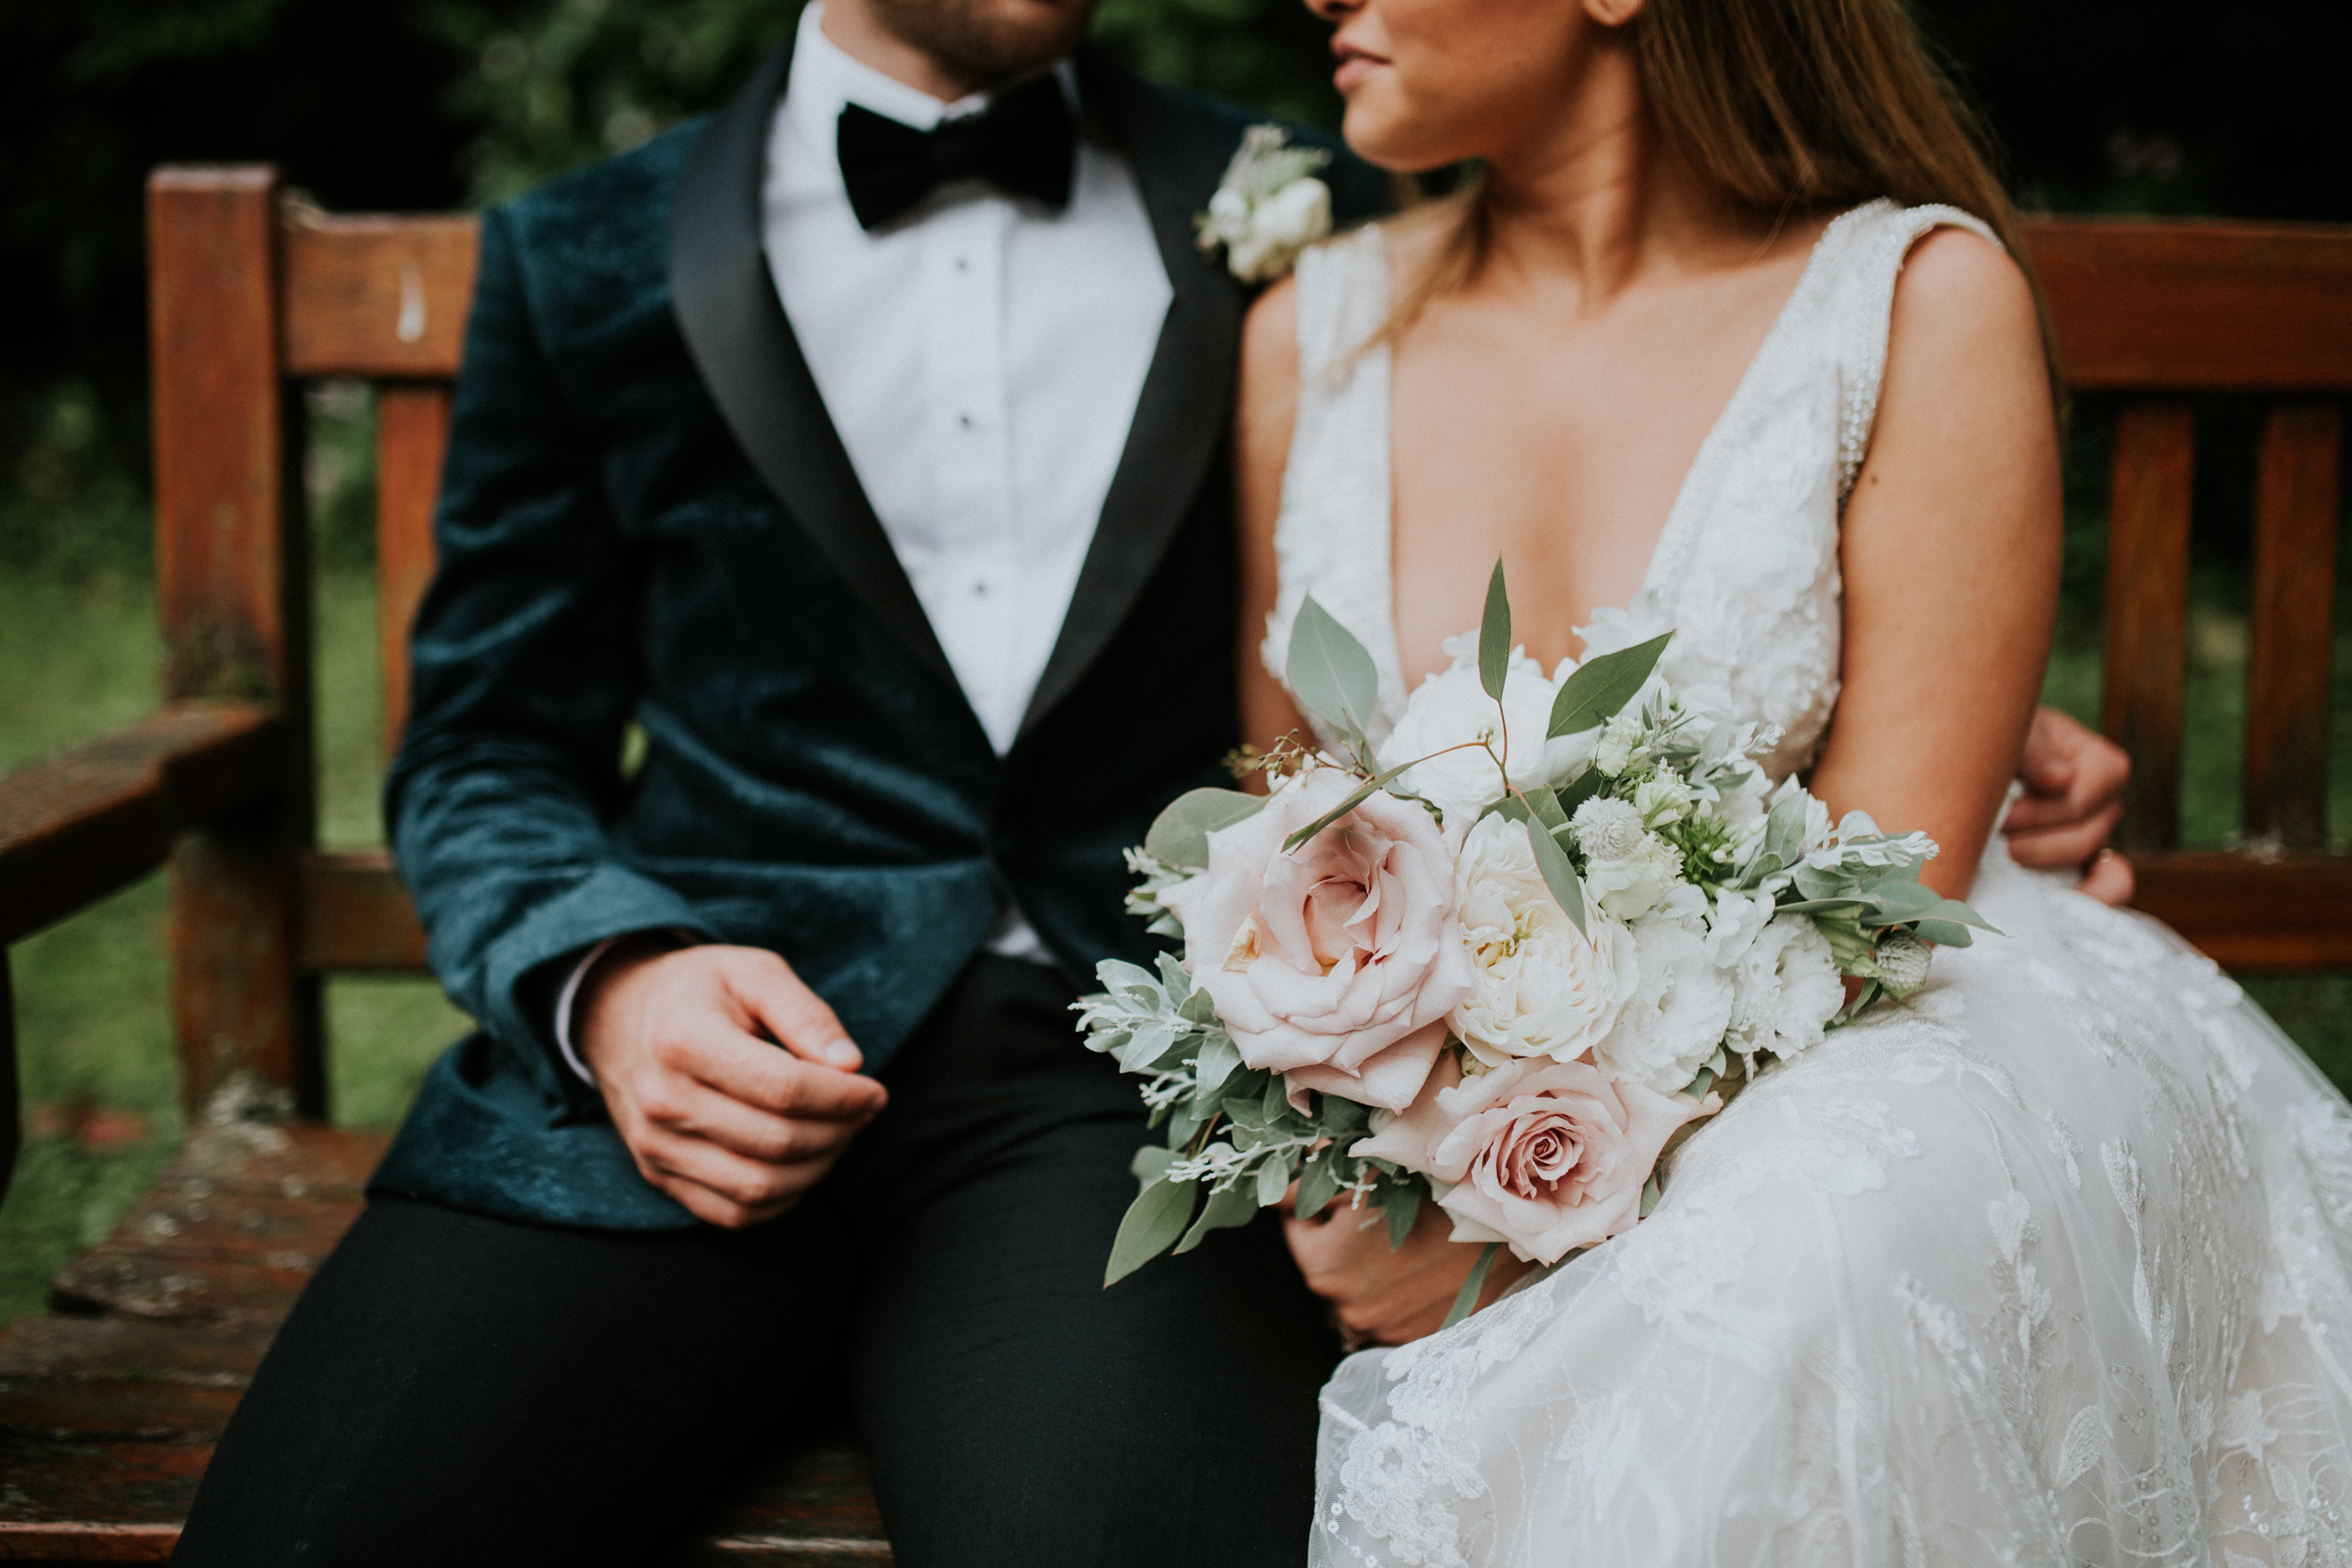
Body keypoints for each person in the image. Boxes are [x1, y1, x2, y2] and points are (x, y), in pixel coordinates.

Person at [172, 0, 2129, 1561]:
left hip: (1127, 1101)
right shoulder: (584, 256)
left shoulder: (1290, 226)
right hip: (669, 1080)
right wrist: (615, 979)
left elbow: (1572, 555)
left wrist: (1942, 715)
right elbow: (488, 751)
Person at [1232, 0, 2352, 1561]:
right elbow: (1285, 866)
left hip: (1861, 1024)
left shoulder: (1909, 302)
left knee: (1810, 1252)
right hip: (1469, 1094)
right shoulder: (1310, 335)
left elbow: (1889, 887)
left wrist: (1516, 1216)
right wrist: (1371, 1165)